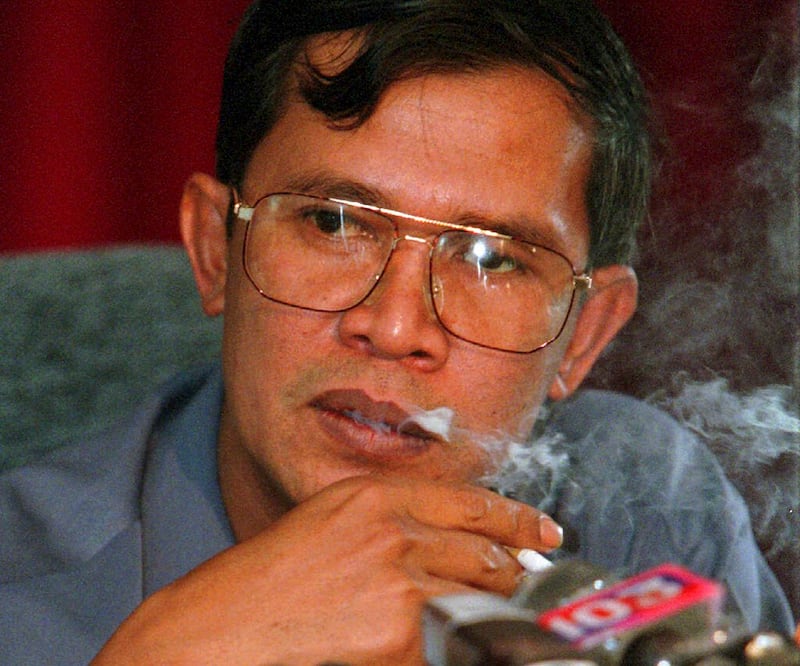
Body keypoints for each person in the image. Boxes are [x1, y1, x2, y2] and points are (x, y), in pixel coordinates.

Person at [1, 1, 794, 664]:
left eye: (492, 258)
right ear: (215, 250)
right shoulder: (23, 602)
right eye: (334, 220)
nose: (394, 327)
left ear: (582, 335)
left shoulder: (647, 513)